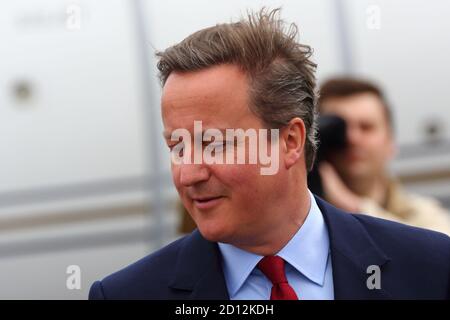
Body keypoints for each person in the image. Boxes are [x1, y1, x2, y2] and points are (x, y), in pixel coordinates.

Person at [89, 9, 450, 300]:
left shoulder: (430, 268)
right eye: (177, 147)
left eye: (214, 143)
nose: (188, 174)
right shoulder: (127, 294)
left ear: (290, 141)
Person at [318, 78, 450, 235]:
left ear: (391, 142)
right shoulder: (303, 217)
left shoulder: (424, 214)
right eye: (339, 129)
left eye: (366, 127)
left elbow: (436, 251)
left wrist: (353, 207)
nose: (352, 138)